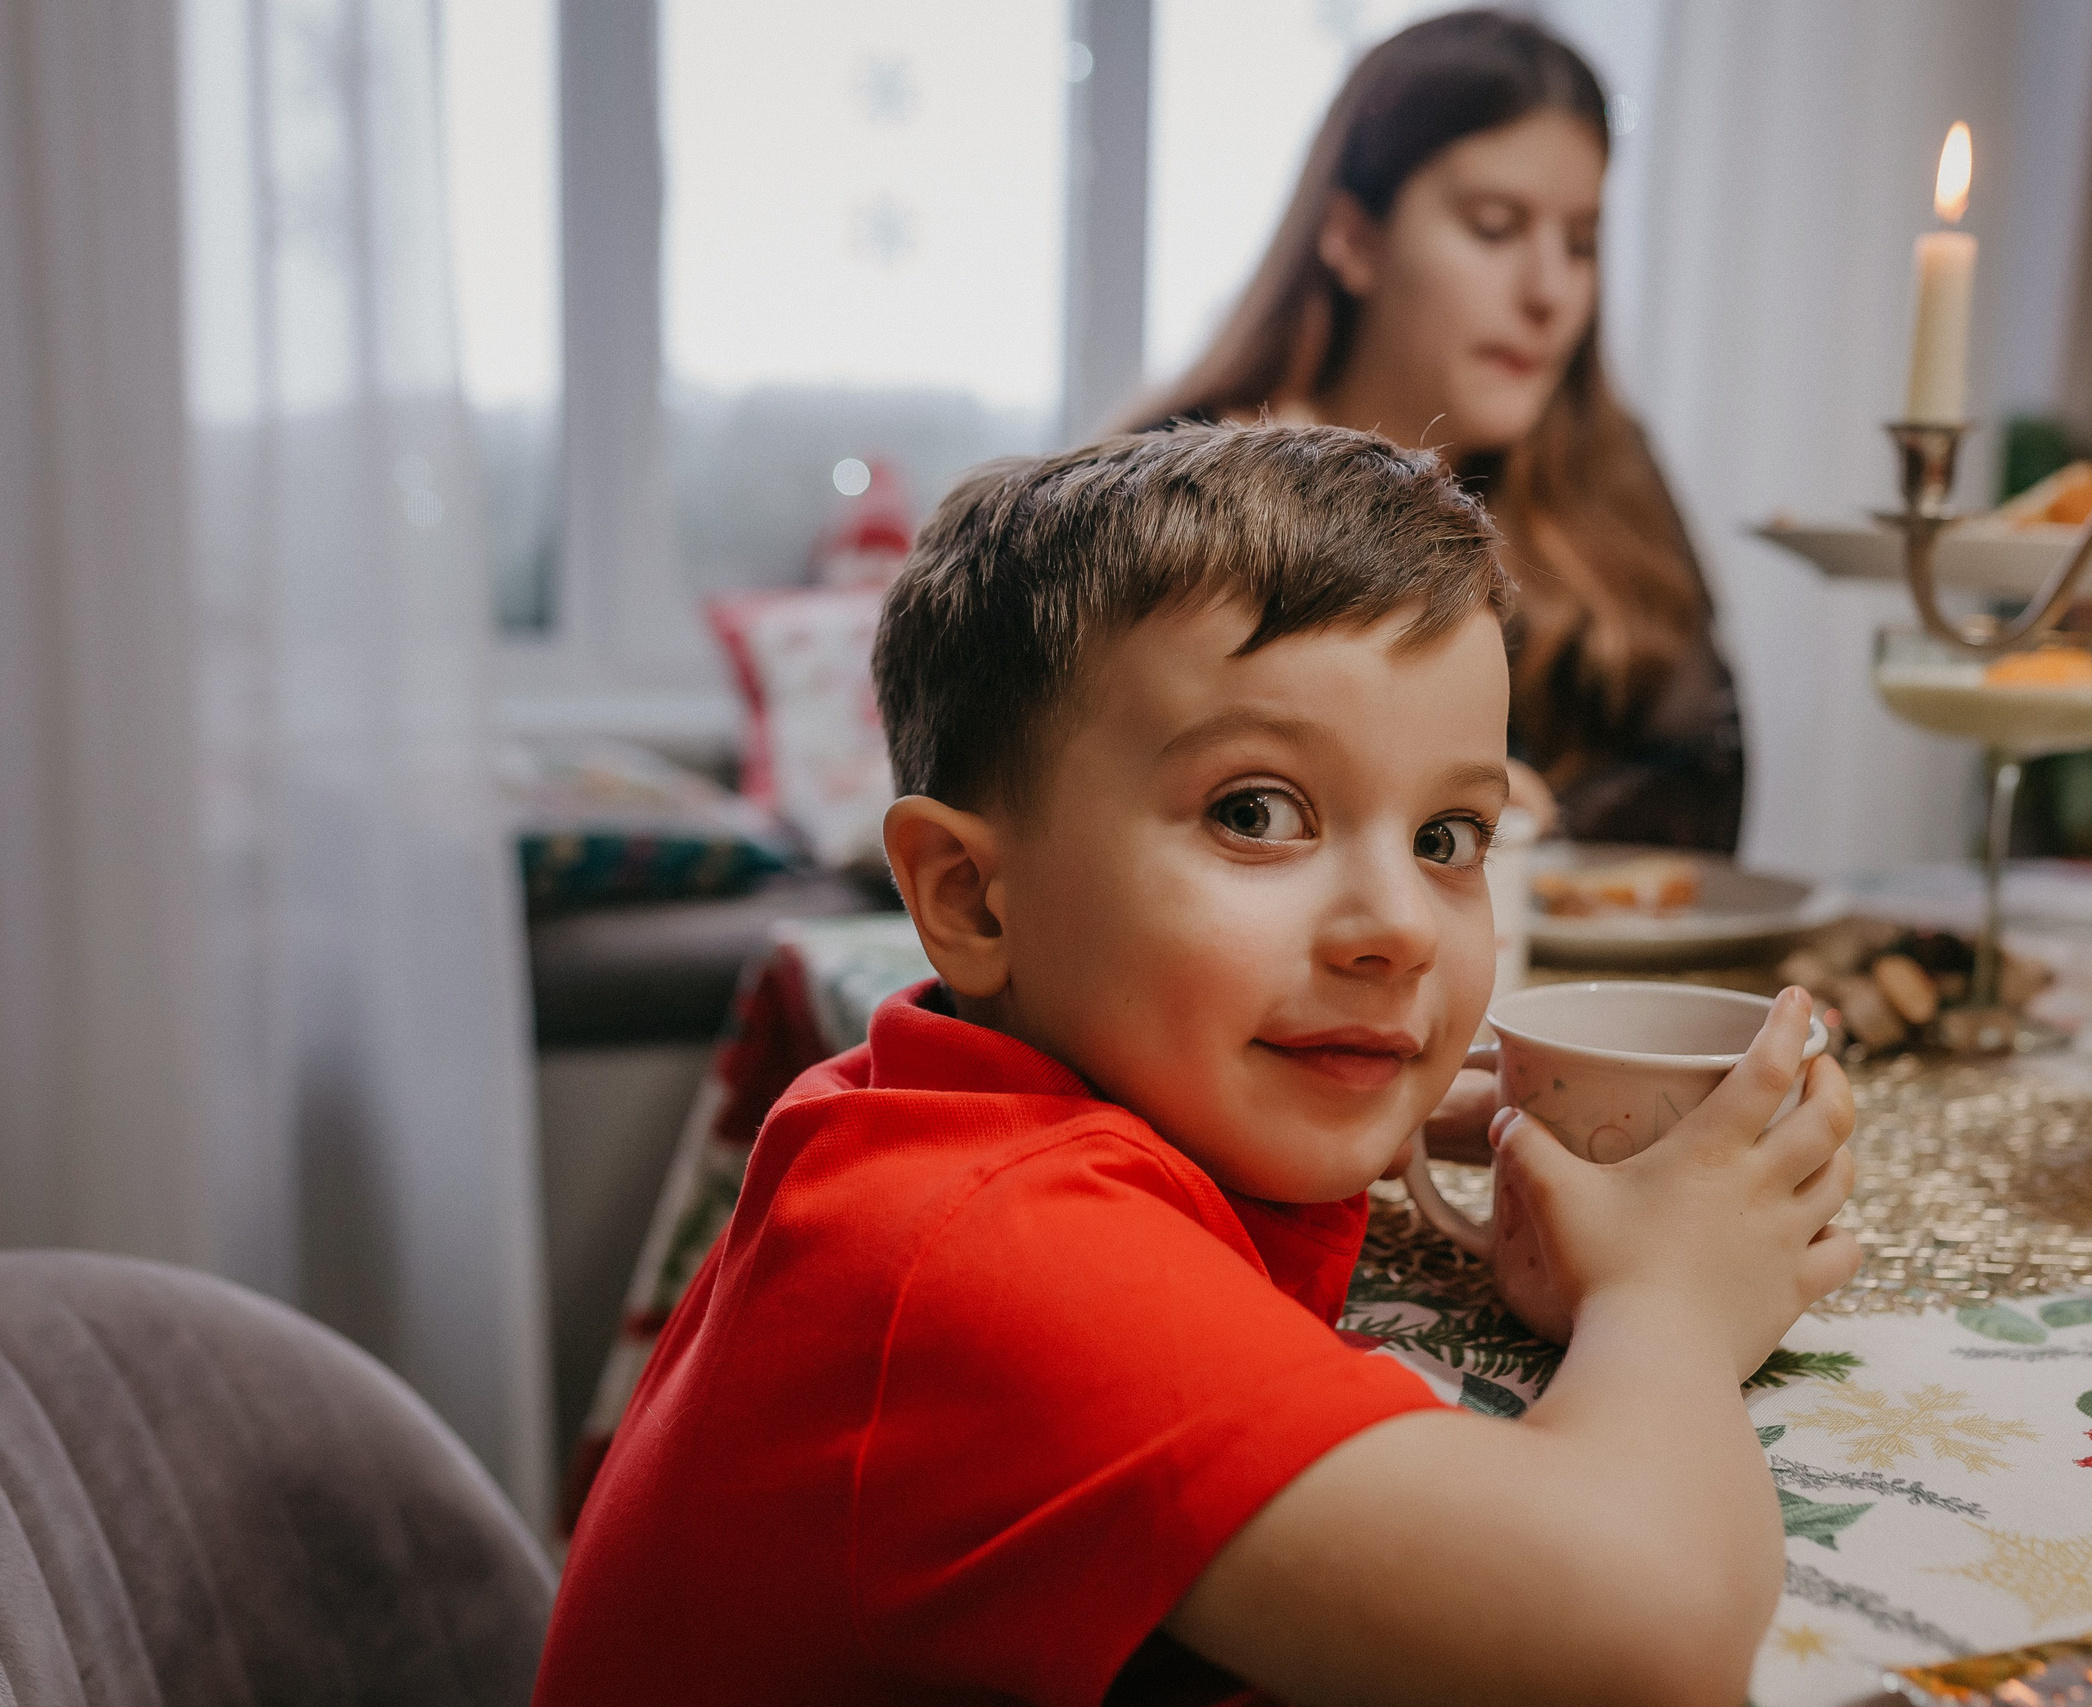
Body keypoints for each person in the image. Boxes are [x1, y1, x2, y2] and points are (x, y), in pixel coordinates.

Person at [534, 423, 1858, 1706]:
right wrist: (1674, 1299)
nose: (1398, 924)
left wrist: (1383, 1095)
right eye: (1255, 812)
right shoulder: (982, 1250)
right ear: (973, 897)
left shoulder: (940, 1104)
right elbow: (1644, 1637)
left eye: (1451, 835)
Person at [1137, 11, 1743, 850]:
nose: (1549, 292)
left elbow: (1702, 784)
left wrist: (1533, 829)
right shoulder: (1174, 485)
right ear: (1353, 237)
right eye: (1494, 227)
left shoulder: (1608, 473)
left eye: (1580, 242)